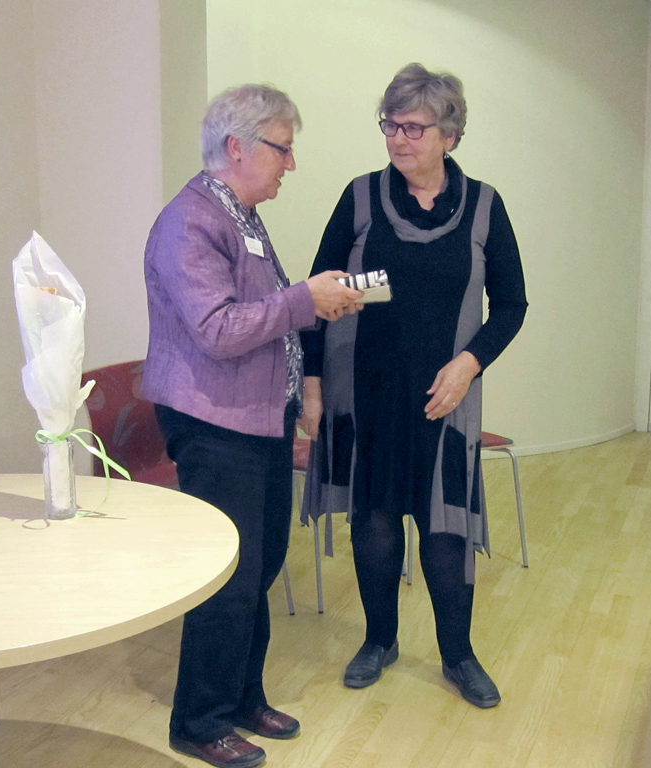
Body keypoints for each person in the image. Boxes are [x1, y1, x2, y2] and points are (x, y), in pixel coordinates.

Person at [142, 84, 363, 768]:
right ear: (236, 147)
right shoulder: (189, 222)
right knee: (227, 578)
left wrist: (311, 308)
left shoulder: (239, 215)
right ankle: (198, 720)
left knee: (260, 565)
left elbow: (260, 316)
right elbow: (216, 330)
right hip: (213, 423)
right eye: (283, 148)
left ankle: (241, 696)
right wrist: (305, 300)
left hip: (257, 418)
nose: (291, 164)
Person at [299, 63, 527, 709]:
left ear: (449, 136)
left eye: (413, 128)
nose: (398, 138)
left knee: (445, 530)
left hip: (444, 398)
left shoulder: (484, 206)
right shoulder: (360, 197)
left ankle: (458, 655)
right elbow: (319, 294)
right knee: (373, 520)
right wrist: (312, 386)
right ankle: (379, 641)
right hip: (366, 393)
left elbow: (511, 304)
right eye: (390, 125)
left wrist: (469, 363)